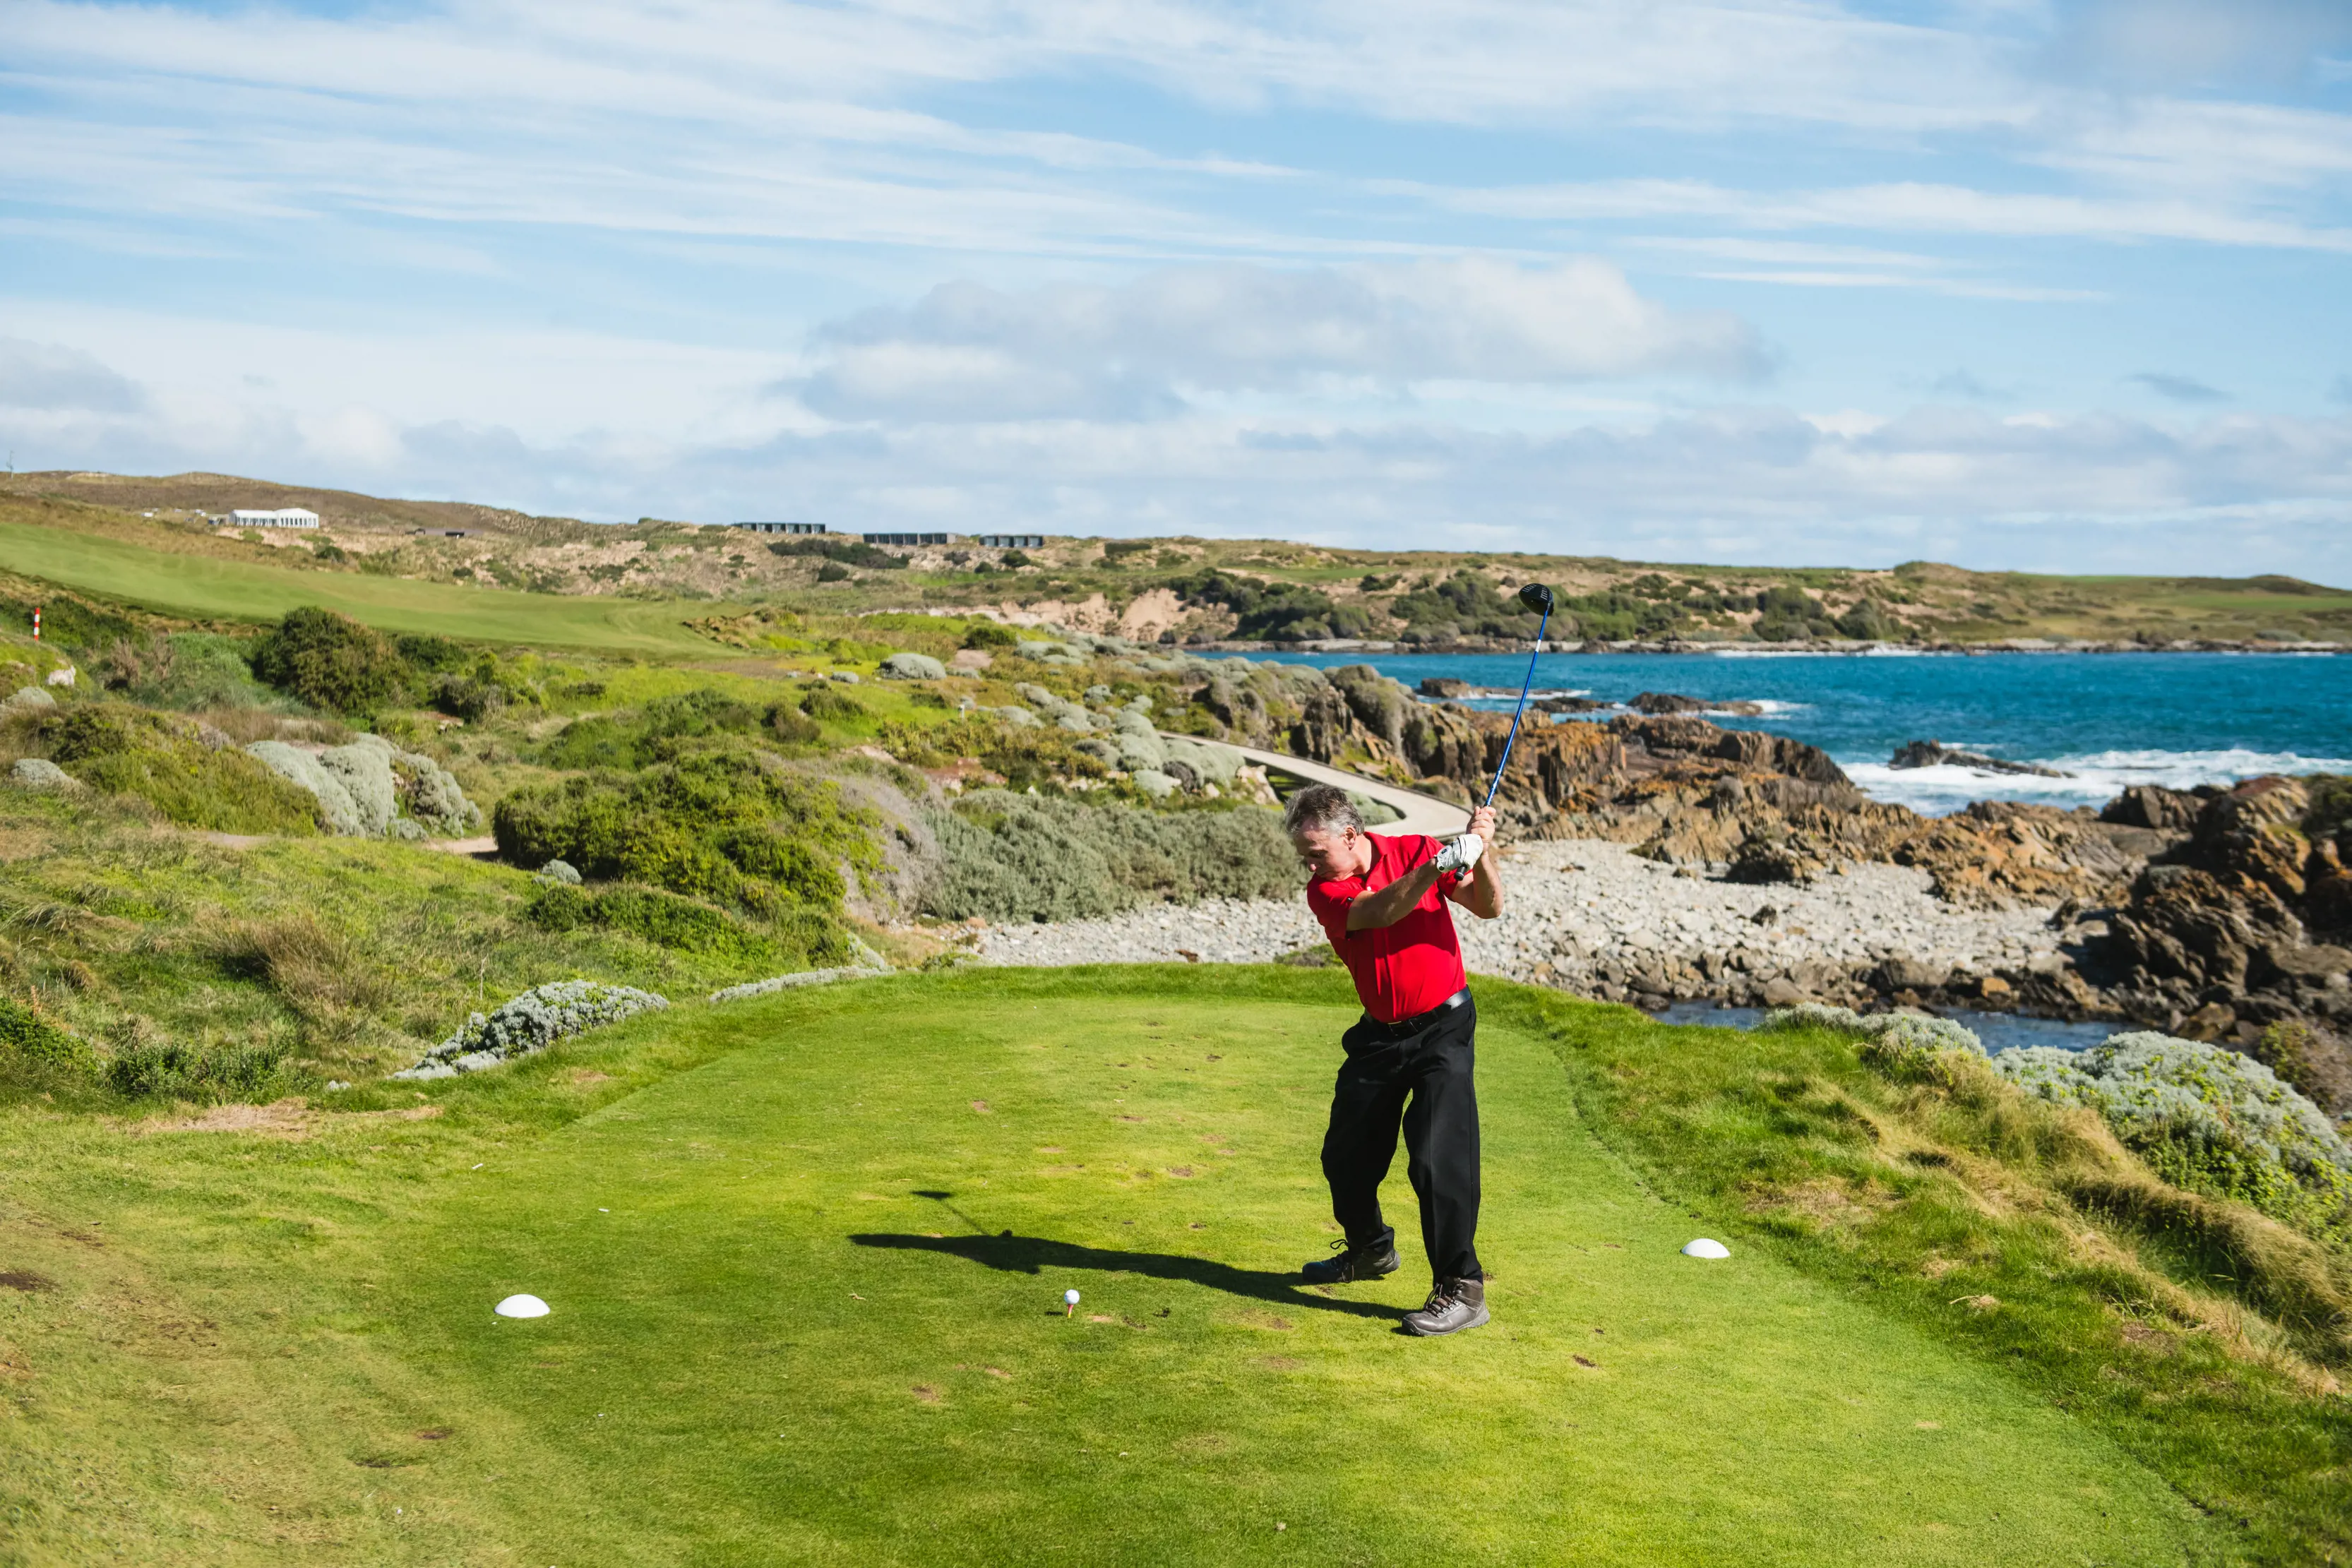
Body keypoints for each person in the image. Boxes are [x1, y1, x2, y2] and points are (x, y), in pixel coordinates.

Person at [1284, 783, 1503, 1336]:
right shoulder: (1324, 891)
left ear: (1351, 834)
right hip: (1380, 1035)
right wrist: (1438, 866)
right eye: (1304, 855)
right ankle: (1369, 1250)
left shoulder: (1413, 849)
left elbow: (1488, 906)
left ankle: (1462, 1287)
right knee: (1345, 1157)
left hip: (1444, 1028)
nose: (1308, 865)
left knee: (1436, 1159)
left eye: (1315, 852)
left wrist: (1484, 848)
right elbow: (1381, 911)